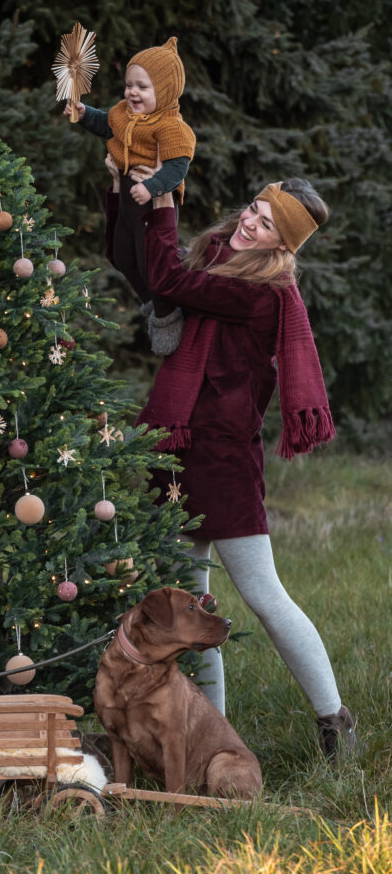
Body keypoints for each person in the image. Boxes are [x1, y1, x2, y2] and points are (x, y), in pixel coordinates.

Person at [114, 174, 358, 760]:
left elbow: (168, 278)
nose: (250, 222)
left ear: (283, 244)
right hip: (175, 450)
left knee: (263, 594)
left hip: (221, 456)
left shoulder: (264, 290)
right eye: (254, 209)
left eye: (267, 223)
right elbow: (148, 270)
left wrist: (167, 201)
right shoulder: (219, 262)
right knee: (187, 607)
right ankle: (207, 735)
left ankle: (334, 721)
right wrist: (129, 190)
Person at [65, 37, 196, 355]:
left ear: (164, 91)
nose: (132, 93)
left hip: (154, 202)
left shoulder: (172, 128)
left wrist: (152, 187)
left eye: (142, 87)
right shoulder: (124, 114)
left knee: (151, 261)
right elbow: (107, 125)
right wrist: (84, 114)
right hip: (126, 193)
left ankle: (166, 317)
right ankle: (154, 303)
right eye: (129, 85)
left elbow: (178, 168)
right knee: (122, 256)